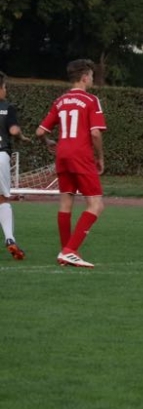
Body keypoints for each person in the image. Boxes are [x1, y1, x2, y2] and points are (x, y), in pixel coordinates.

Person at [35, 59, 107, 268]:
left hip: (62, 155)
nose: (92, 80)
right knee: (96, 205)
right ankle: (69, 250)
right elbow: (95, 133)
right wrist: (100, 157)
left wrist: (48, 141)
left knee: (66, 204)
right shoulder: (91, 100)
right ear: (84, 77)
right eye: (91, 76)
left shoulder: (60, 101)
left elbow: (40, 131)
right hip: (81, 156)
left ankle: (65, 251)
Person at [0, 72, 31, 260]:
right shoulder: (7, 107)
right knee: (2, 199)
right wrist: (21, 136)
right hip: (1, 156)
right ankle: (9, 238)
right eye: (4, 87)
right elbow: (13, 130)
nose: (6, 90)